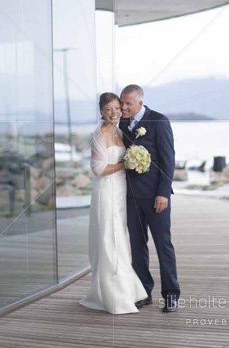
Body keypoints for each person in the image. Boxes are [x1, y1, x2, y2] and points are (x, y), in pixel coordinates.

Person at [80, 93, 148, 314]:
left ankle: (126, 290)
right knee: (110, 239)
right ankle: (115, 296)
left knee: (120, 238)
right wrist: (125, 164)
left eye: (117, 108)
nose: (114, 113)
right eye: (109, 109)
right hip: (106, 191)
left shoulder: (119, 131)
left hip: (120, 191)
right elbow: (98, 169)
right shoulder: (99, 134)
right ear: (101, 111)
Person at [119, 84, 180, 313]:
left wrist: (163, 192)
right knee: (137, 246)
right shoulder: (122, 123)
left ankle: (171, 294)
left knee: (163, 245)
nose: (124, 107)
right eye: (122, 103)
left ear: (140, 103)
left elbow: (168, 160)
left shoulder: (159, 121)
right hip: (131, 196)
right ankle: (143, 292)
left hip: (156, 196)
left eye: (128, 103)